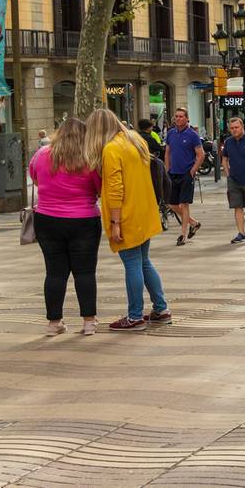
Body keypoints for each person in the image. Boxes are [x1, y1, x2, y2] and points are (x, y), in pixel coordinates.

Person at [85, 108, 169, 331]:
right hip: (145, 210)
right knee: (143, 261)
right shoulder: (135, 141)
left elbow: (115, 189)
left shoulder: (111, 149)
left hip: (127, 214)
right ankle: (161, 309)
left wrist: (114, 223)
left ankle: (135, 316)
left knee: (132, 263)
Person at [30, 118, 101, 336]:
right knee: (85, 272)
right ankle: (89, 322)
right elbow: (99, 188)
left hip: (47, 219)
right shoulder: (90, 158)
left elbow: (35, 178)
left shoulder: (42, 155)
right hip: (84, 220)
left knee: (54, 272)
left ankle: (54, 323)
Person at [164, 107, 205, 246]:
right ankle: (193, 223)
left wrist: (192, 171)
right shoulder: (170, 133)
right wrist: (167, 169)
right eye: (176, 116)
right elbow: (167, 152)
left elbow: (201, 155)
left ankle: (183, 234)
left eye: (181, 116)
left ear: (187, 118)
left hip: (186, 174)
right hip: (173, 173)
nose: (178, 119)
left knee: (184, 204)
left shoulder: (192, 135)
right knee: (171, 203)